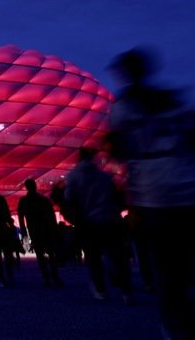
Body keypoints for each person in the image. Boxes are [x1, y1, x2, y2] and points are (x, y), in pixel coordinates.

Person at [106, 48, 195, 337]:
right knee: (182, 260)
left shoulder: (124, 107)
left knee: (164, 263)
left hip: (153, 194)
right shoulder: (173, 100)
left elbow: (118, 151)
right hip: (185, 187)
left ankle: (174, 323)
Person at [64, 147, 132, 302]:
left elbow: (68, 198)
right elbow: (114, 194)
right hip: (110, 219)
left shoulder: (74, 176)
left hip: (89, 222)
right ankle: (126, 291)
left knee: (93, 258)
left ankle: (101, 290)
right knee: (117, 256)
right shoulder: (104, 175)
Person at [17, 178, 63, 288]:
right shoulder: (43, 200)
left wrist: (24, 230)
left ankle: (47, 278)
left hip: (35, 230)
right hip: (46, 229)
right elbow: (51, 216)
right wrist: (54, 228)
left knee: (40, 255)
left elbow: (21, 216)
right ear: (35, 186)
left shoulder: (24, 201)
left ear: (26, 188)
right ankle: (55, 277)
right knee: (51, 254)